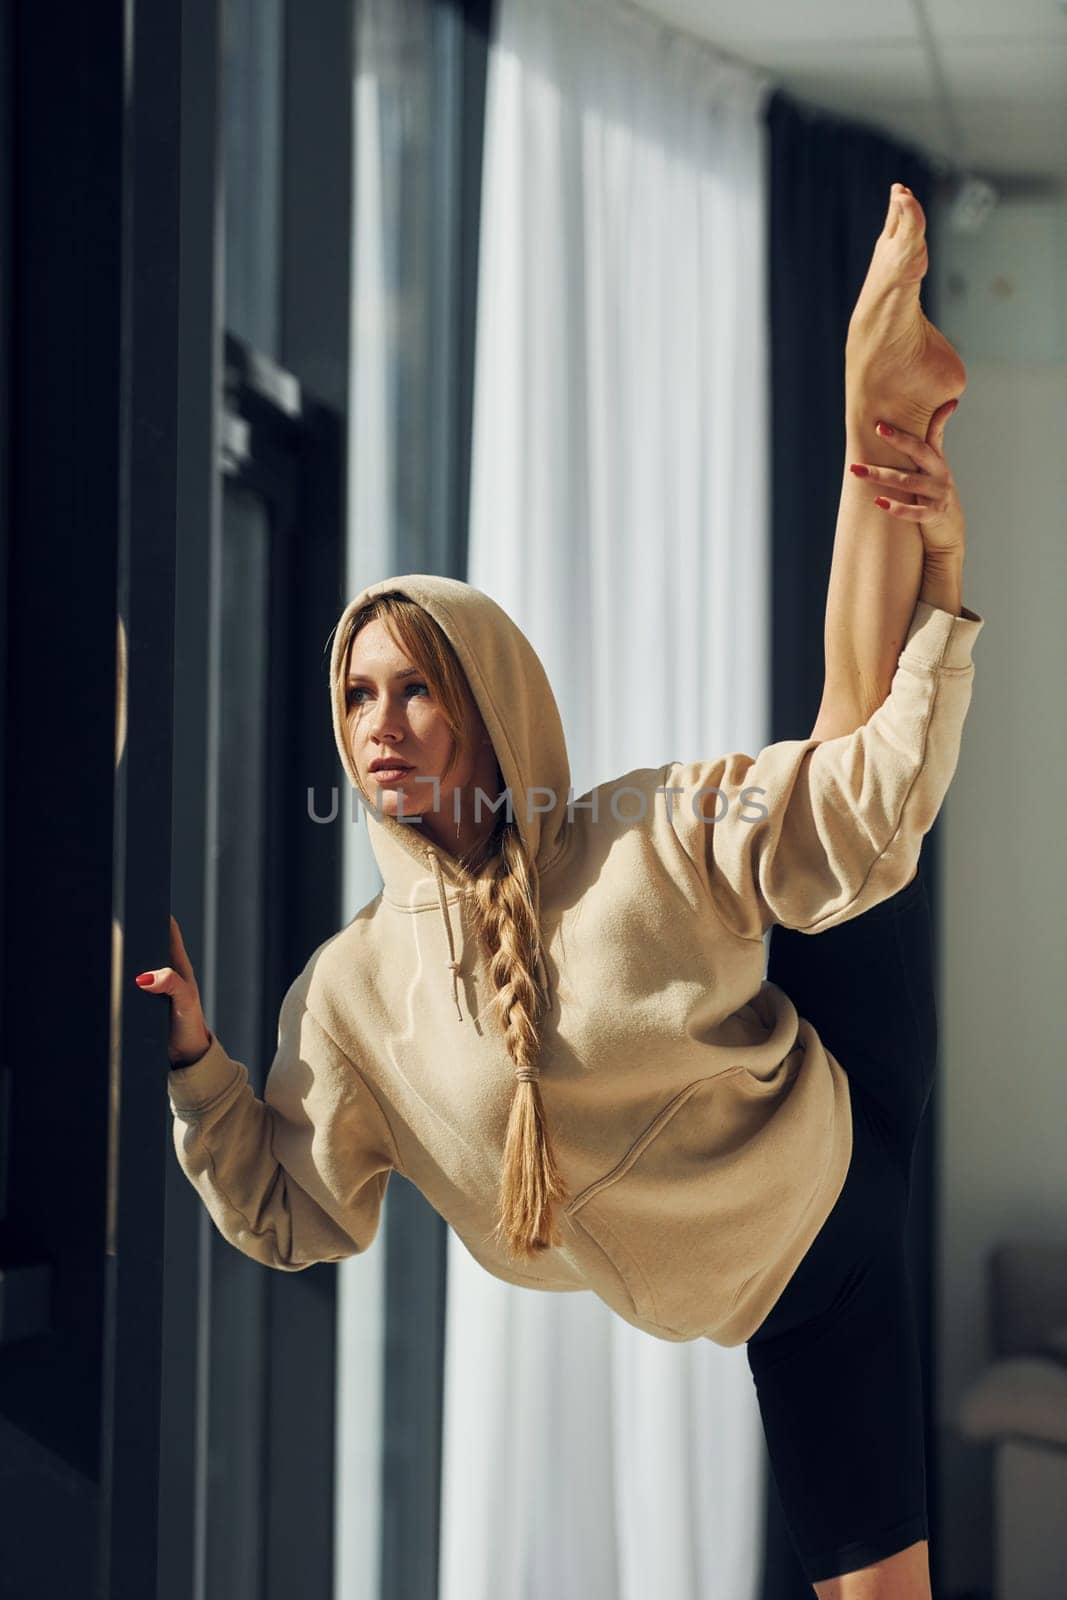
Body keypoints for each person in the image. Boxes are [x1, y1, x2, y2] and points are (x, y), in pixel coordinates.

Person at [137, 184, 984, 1596]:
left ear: (489, 704)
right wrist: (198, 1072)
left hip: (839, 1081)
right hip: (787, 1292)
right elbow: (300, 1211)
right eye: (357, 694)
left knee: (845, 724)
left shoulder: (643, 836)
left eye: (418, 688)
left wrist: (947, 575)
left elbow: (865, 803)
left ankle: (877, 411)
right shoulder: (349, 997)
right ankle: (885, 418)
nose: (381, 721)